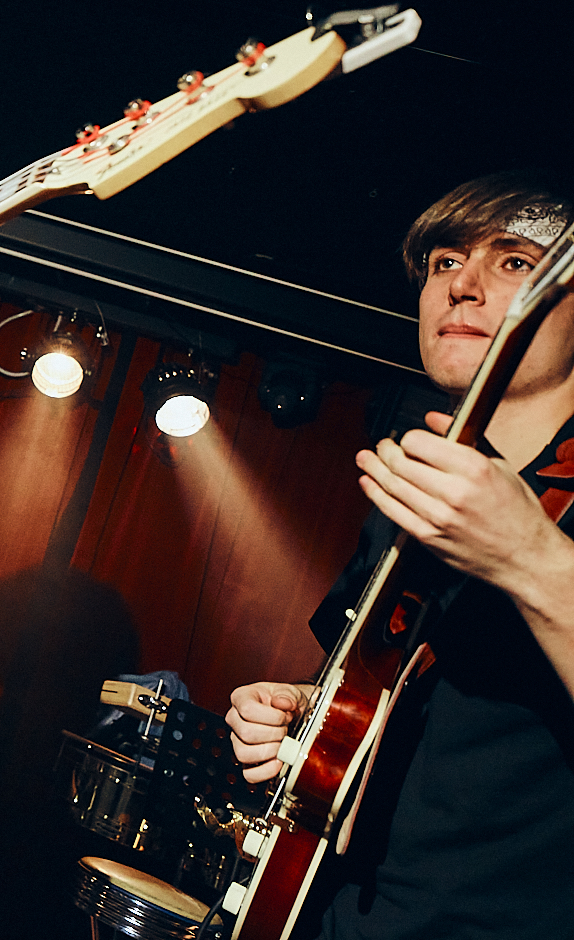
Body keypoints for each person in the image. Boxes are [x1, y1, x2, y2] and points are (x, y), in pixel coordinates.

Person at [226, 172, 574, 936]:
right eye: (446, 261)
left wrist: (530, 557)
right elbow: (379, 699)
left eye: (515, 261)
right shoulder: (413, 487)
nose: (462, 285)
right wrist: (302, 715)